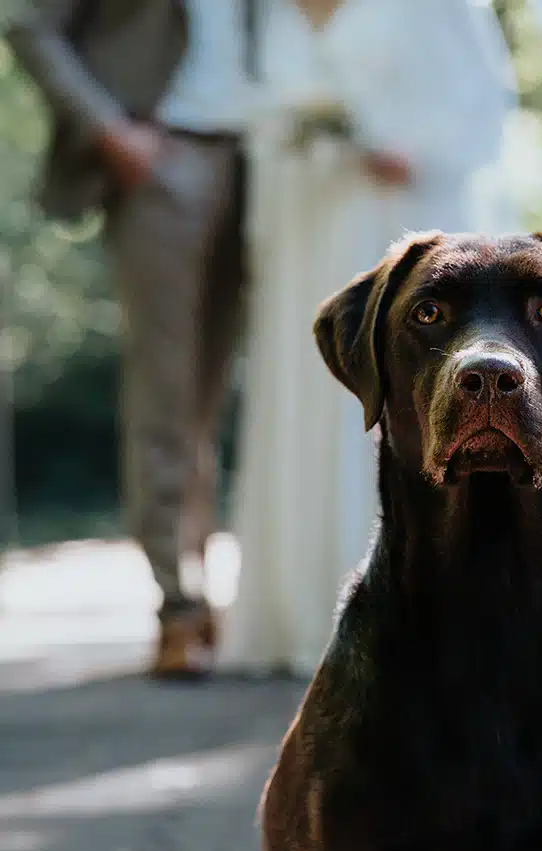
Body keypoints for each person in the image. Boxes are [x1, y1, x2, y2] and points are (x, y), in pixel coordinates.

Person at [220, 0, 516, 677]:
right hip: (305, 232)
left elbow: (485, 107)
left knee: (407, 401)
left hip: (401, 219)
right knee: (306, 401)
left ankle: (427, 607)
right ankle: (300, 614)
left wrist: (410, 150)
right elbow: (260, 120)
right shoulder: (274, 10)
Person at [5, 0, 257, 678]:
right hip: (165, 159)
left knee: (220, 393)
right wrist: (108, 130)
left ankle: (223, 592)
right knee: (164, 391)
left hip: (266, 164)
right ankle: (178, 603)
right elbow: (28, 24)